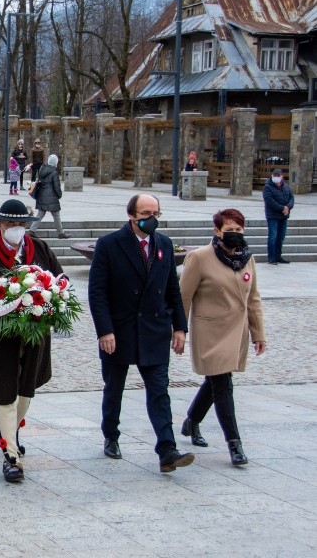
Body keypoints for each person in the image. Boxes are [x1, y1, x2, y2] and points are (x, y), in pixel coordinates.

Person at [0, 199, 64, 483]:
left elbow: (59, 281)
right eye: (11, 224)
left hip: (33, 338)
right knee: (4, 396)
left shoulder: (39, 249)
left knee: (25, 394)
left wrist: (48, 303)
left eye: (21, 224)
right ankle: (11, 457)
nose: (16, 229)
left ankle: (12, 434)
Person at [88, 193, 194, 473]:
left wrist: (180, 327)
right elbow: (97, 292)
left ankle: (167, 449)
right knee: (114, 388)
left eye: (156, 213)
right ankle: (111, 434)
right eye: (146, 213)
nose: (151, 219)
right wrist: (105, 330)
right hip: (120, 329)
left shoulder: (164, 245)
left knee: (159, 390)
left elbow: (173, 288)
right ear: (132, 215)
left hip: (154, 329)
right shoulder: (109, 244)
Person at [179, 209, 266, 466]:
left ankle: (192, 421)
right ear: (217, 230)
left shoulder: (247, 258)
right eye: (229, 229)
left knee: (216, 381)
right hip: (210, 332)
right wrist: (179, 330)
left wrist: (258, 333)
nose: (235, 234)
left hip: (236, 331)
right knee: (222, 383)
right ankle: (234, 444)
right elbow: (183, 297)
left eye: (239, 230)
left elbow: (254, 298)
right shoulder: (199, 257)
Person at [28, 154, 71, 239]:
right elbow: (56, 186)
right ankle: (60, 233)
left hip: (42, 195)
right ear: (55, 163)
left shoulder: (41, 169)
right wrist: (59, 195)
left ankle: (31, 231)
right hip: (51, 196)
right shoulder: (54, 172)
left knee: (40, 214)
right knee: (56, 215)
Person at [263, 168, 294, 265]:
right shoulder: (268, 187)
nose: (276, 177)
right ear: (272, 176)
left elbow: (291, 198)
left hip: (283, 216)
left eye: (278, 175)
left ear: (282, 177)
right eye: (274, 175)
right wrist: (282, 208)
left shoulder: (286, 187)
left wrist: (288, 207)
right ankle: (272, 258)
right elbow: (270, 201)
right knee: (273, 236)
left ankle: (278, 256)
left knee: (281, 236)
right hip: (273, 216)